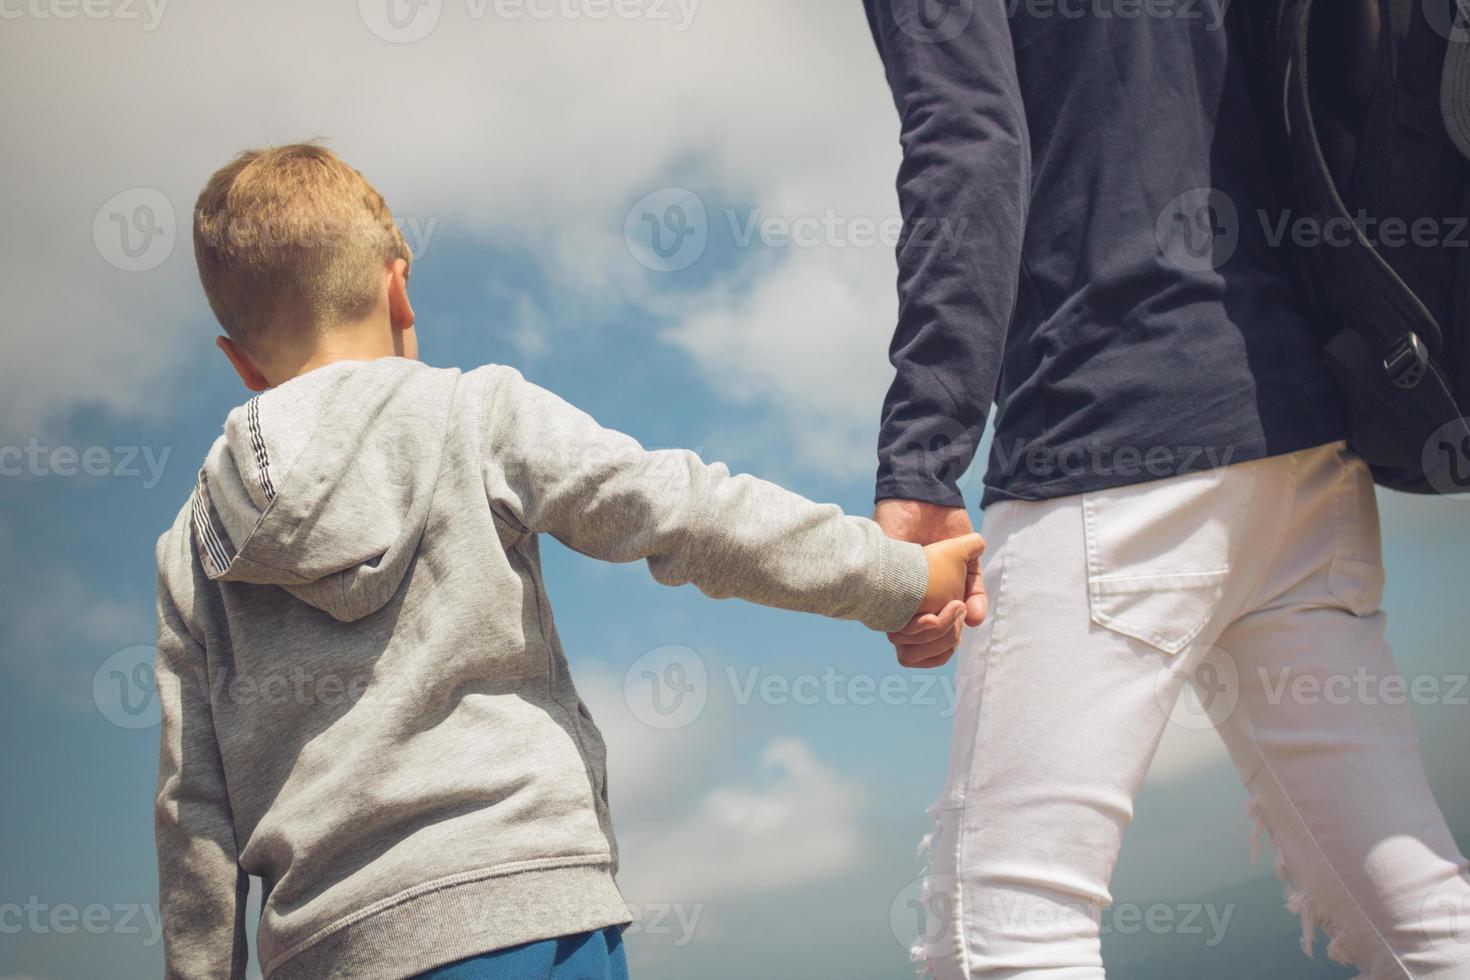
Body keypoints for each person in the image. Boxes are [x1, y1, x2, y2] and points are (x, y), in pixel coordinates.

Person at [152, 142, 984, 980]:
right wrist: (902, 579)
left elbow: (195, 813)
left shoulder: (196, 542)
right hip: (524, 913)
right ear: (397, 285)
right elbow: (685, 511)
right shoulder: (475, 413)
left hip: (323, 949)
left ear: (240, 361)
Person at [861, 1, 1470, 977]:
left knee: (1007, 931)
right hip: (1306, 444)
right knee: (1415, 915)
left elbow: (967, 140)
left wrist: (921, 465)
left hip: (1106, 435)